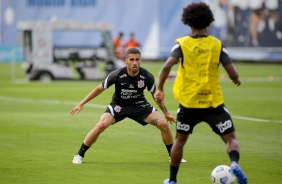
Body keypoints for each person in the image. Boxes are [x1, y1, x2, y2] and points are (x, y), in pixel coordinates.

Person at [153, 2, 248, 184]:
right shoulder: (216, 45)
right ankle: (234, 163)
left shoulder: (182, 44)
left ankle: (172, 180)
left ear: (188, 22)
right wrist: (235, 79)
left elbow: (166, 67)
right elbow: (232, 72)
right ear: (209, 21)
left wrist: (160, 89)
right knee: (230, 139)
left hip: (189, 104)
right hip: (213, 103)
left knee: (180, 140)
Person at [70, 48, 186, 164]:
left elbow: (156, 96)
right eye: (131, 59)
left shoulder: (147, 76)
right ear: (126, 61)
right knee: (100, 126)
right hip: (119, 105)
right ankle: (79, 155)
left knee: (164, 124)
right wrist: (81, 103)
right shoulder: (117, 75)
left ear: (140, 61)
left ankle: (173, 155)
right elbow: (99, 89)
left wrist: (166, 113)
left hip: (139, 105)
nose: (134, 62)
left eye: (137, 60)